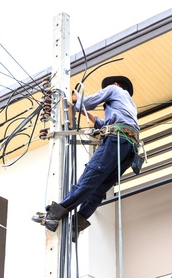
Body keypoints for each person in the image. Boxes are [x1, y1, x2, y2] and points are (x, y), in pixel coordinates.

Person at [32, 75, 139, 241]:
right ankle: (77, 224)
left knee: (89, 178)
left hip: (115, 140)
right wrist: (86, 112)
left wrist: (77, 99)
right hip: (129, 149)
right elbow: (104, 123)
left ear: (116, 84)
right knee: (98, 189)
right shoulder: (130, 106)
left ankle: (53, 215)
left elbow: (88, 102)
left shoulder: (114, 89)